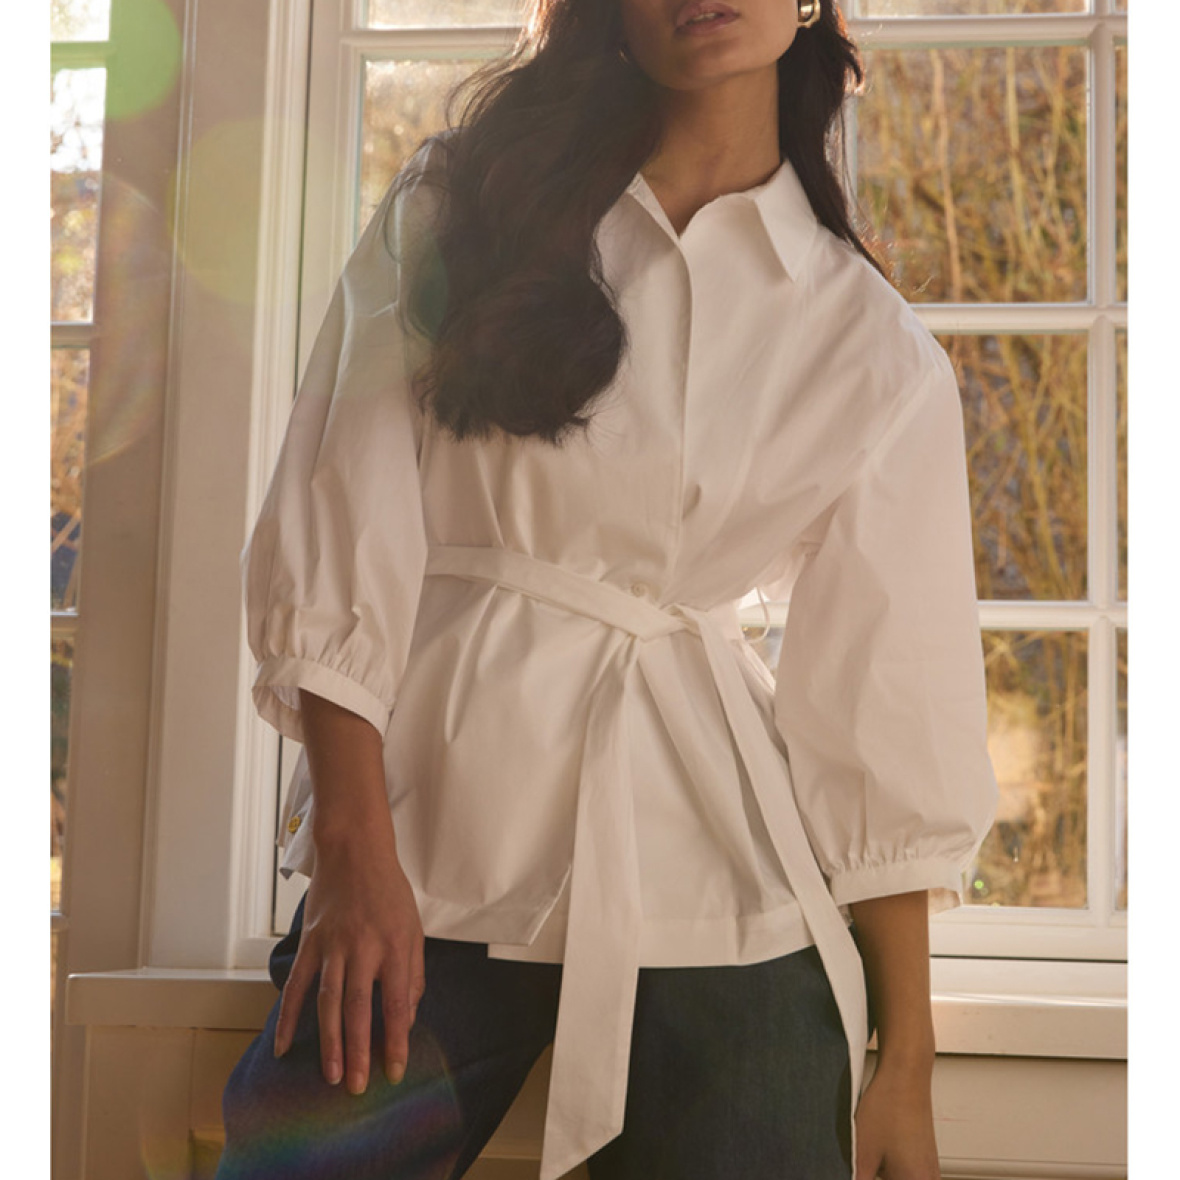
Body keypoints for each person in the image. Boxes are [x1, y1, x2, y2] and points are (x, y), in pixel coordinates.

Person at [215, 1, 998, 1178]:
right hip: (427, 848)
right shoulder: (460, 205)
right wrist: (349, 854)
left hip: (718, 885)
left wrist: (909, 1062)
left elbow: (889, 709)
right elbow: (340, 522)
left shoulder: (866, 339)